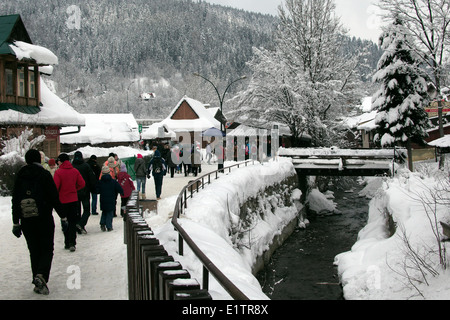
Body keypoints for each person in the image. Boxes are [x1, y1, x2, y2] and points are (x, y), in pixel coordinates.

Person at [11, 149, 68, 295]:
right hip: (43, 218)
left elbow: (15, 200)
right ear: (39, 160)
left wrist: (15, 222)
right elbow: (54, 196)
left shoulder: (20, 175)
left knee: (34, 250)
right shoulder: (44, 174)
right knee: (47, 248)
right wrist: (63, 216)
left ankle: (37, 279)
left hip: (26, 219)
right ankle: (41, 275)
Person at [54, 153, 85, 252]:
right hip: (73, 200)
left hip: (62, 201)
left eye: (58, 161)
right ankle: (72, 242)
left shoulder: (58, 172)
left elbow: (55, 187)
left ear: (61, 161)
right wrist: (75, 189)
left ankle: (67, 242)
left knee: (64, 221)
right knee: (72, 222)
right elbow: (82, 183)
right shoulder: (75, 171)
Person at [72, 151, 97, 234]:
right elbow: (91, 179)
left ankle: (78, 226)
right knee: (86, 210)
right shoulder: (86, 166)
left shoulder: (72, 166)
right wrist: (93, 189)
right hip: (85, 191)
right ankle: (81, 224)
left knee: (77, 210)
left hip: (75, 192)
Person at [97, 166, 124, 231]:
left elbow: (97, 190)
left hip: (103, 200)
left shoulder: (100, 182)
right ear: (109, 172)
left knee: (104, 212)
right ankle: (109, 226)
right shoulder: (113, 181)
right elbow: (119, 188)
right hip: (111, 199)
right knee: (110, 213)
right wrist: (122, 192)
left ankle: (102, 224)